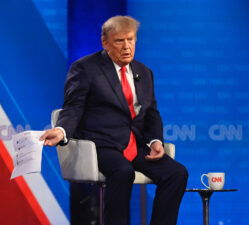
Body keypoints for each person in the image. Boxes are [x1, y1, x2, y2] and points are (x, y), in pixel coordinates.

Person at [40, 15, 188, 225]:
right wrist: (62, 130)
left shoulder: (144, 72)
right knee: (122, 172)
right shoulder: (85, 68)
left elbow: (152, 113)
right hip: (102, 144)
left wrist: (155, 141)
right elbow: (74, 107)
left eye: (131, 39)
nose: (127, 47)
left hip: (135, 146)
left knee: (177, 173)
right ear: (105, 42)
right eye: (119, 41)